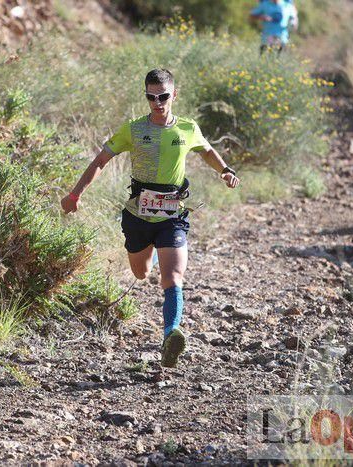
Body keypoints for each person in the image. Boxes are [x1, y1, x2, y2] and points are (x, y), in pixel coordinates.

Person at [61, 69, 240, 368]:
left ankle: (171, 335)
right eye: (151, 97)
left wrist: (225, 170)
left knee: (173, 278)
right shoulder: (133, 129)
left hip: (172, 216)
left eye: (164, 96)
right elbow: (100, 161)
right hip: (138, 217)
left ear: (174, 95)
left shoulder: (186, 128)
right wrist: (75, 195)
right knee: (141, 273)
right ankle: (153, 256)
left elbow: (206, 151)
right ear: (146, 96)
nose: (157, 103)